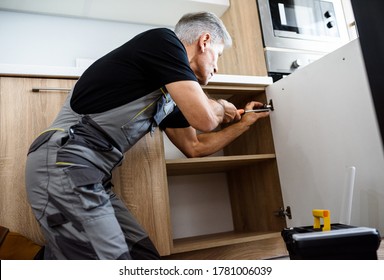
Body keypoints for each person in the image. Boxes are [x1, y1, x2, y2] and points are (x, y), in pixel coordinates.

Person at [25, 11, 269, 260]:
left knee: (143, 256)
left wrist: (244, 124)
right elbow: (205, 119)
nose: (217, 67)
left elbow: (195, 146)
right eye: (218, 55)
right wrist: (221, 106)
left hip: (90, 174)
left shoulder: (170, 92)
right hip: (63, 162)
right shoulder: (163, 41)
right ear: (204, 41)